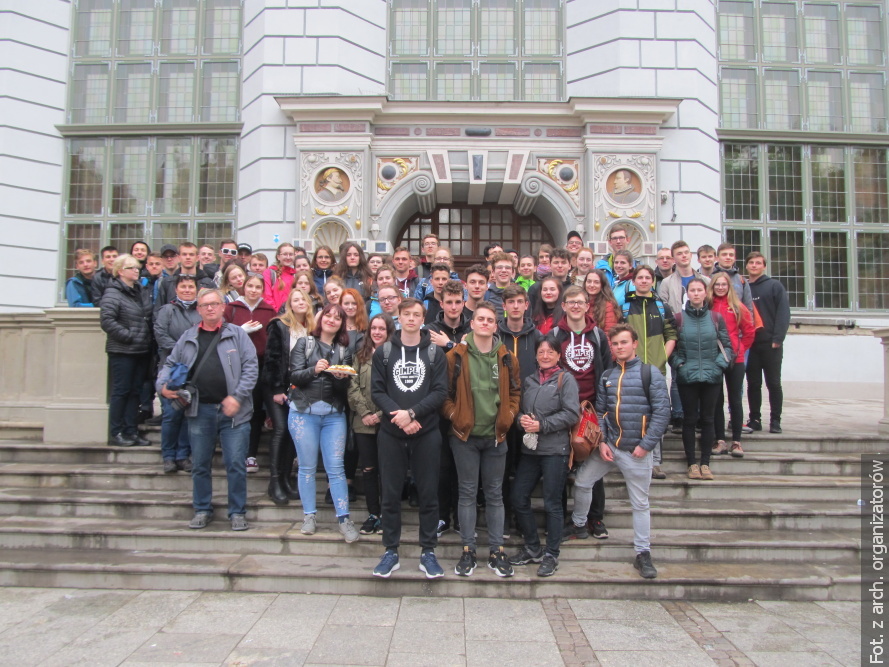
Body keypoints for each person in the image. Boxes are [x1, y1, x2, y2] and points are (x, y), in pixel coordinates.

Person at [568, 323, 670, 579]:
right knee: (582, 482)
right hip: (610, 446)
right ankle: (579, 524)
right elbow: (600, 411)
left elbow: (662, 413)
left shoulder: (650, 374)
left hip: (637, 451)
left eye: (624, 342)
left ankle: (643, 553)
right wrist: (601, 441)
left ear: (634, 344)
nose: (619, 347)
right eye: (615, 344)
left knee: (640, 503)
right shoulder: (607, 376)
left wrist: (646, 446)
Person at [157, 287, 258, 532]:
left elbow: (251, 368)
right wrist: (162, 385)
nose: (210, 308)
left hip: (234, 412)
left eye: (214, 304)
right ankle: (202, 509)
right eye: (205, 305)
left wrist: (237, 396)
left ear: (223, 307)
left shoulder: (237, 335)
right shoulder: (188, 337)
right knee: (201, 464)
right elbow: (170, 363)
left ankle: (237, 512)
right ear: (198, 310)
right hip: (199, 410)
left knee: (235, 464)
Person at [370, 298, 448, 579]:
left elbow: (440, 392)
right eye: (407, 314)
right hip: (391, 433)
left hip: (426, 432)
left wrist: (413, 414)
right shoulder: (385, 352)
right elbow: (377, 392)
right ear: (399, 317)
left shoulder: (434, 354)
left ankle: (428, 551)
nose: (412, 319)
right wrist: (399, 416)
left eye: (417, 314)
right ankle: (391, 550)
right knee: (390, 494)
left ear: (423, 318)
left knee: (428, 493)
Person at [443, 301, 521, 578]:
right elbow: (445, 394)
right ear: (472, 323)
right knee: (466, 494)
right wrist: (455, 415)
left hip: (496, 437)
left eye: (490, 320)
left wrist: (509, 415)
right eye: (481, 319)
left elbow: (515, 393)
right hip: (465, 436)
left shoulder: (507, 357)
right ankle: (468, 550)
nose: (485, 323)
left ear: (495, 325)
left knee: (495, 495)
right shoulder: (456, 356)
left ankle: (497, 551)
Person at [509, 337, 580, 577]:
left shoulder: (565, 379)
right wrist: (521, 421)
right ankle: (532, 547)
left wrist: (543, 424)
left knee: (552, 504)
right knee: (518, 497)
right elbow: (518, 410)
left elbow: (572, 413)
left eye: (550, 351)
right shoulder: (529, 380)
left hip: (555, 450)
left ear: (559, 355)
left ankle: (551, 554)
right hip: (530, 450)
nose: (545, 355)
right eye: (541, 351)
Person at [288, 303, 358, 542]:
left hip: (333, 415)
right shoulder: (304, 344)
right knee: (307, 467)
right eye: (328, 315)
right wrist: (313, 370)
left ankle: (344, 518)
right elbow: (294, 375)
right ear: (321, 319)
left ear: (342, 324)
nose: (332, 320)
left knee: (336, 468)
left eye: (337, 318)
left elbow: (343, 389)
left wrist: (340, 378)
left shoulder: (343, 350)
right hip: (302, 412)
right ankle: (309, 515)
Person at [551, 286, 613, 540]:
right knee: (563, 464)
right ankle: (568, 517)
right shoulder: (555, 335)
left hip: (592, 408)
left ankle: (595, 518)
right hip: (564, 409)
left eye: (580, 302)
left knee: (591, 464)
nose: (576, 306)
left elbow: (607, 371)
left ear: (587, 306)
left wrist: (603, 408)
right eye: (571, 302)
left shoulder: (598, 336)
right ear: (563, 306)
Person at [672, 278, 733, 481]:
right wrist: (680, 365)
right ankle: (691, 464)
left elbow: (727, 346)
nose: (696, 293)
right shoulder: (678, 318)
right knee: (689, 420)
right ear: (687, 293)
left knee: (708, 420)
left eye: (699, 290)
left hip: (711, 376)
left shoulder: (715, 318)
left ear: (705, 293)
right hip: (687, 377)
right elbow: (671, 347)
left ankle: (705, 463)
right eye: (692, 290)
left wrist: (718, 366)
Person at [620, 265, 677, 479]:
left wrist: (663, 356)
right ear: (633, 281)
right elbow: (618, 335)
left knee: (657, 414)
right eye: (640, 278)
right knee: (632, 413)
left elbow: (671, 333)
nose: (643, 281)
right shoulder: (625, 306)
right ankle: (630, 457)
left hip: (656, 368)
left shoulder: (662, 306)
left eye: (647, 278)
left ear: (653, 281)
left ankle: (655, 462)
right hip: (631, 368)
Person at [426, 280, 472, 537]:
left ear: (464, 302)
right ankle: (443, 516)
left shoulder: (472, 327)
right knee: (442, 467)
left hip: (468, 404)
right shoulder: (431, 329)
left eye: (458, 302)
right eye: (449, 302)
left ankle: (462, 518)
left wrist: (449, 346)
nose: (453, 307)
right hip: (438, 404)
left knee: (464, 468)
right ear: (440, 303)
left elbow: (476, 359)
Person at [262, 288, 315, 504]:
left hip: (298, 389)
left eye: (304, 299)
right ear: (289, 304)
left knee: (294, 433)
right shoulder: (279, 325)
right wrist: (276, 389)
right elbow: (272, 358)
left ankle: (285, 479)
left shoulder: (311, 328)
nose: (300, 302)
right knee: (281, 429)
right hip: (277, 387)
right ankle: (274, 482)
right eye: (296, 299)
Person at [348, 313, 395, 536]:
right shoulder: (360, 355)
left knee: (387, 469)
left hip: (387, 422)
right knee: (368, 469)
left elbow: (395, 390)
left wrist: (379, 414)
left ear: (389, 332)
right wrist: (365, 413)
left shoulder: (396, 355)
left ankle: (386, 514)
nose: (377, 332)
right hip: (363, 422)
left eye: (382, 329)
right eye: (373, 328)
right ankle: (373, 513)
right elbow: (352, 385)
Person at [224, 274, 276, 473]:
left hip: (264, 364)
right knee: (249, 410)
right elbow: (222, 332)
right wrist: (239, 330)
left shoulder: (269, 310)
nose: (253, 290)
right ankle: (248, 454)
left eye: (257, 287)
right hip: (240, 366)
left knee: (265, 411)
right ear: (243, 287)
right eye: (250, 286)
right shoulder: (233, 308)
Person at [657, 240, 711, 433]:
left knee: (699, 375)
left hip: (700, 334)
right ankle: (678, 415)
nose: (684, 256)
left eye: (686, 252)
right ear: (674, 258)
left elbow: (710, 307)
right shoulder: (667, 282)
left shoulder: (705, 281)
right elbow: (663, 307)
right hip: (677, 332)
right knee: (678, 374)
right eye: (679, 253)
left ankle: (697, 415)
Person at [100, 254, 153, 447]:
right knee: (121, 391)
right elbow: (107, 321)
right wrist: (128, 336)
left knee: (135, 392)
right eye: (131, 267)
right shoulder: (113, 293)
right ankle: (117, 432)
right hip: (122, 350)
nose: (136, 270)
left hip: (140, 350)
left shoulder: (140, 291)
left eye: (137, 267)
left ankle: (131, 430)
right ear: (120, 271)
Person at [153, 275, 201, 472]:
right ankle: (168, 456)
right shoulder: (167, 310)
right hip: (171, 368)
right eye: (184, 287)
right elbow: (160, 334)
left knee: (187, 414)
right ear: (176, 289)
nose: (188, 290)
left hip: (194, 370)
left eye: (191, 286)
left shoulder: (200, 312)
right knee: (171, 414)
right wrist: (181, 350)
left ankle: (183, 455)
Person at [709, 272, 755, 458]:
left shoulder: (738, 307)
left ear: (729, 287)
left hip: (736, 359)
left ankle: (736, 441)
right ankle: (720, 440)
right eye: (717, 284)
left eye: (724, 284)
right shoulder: (708, 306)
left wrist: (740, 348)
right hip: (714, 358)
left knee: (735, 400)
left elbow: (749, 331)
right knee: (716, 400)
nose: (720, 287)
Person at [745, 251, 790, 434]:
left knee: (773, 383)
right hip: (751, 345)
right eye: (751, 263)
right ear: (747, 266)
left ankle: (775, 420)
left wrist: (778, 338)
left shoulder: (774, 286)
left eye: (758, 263)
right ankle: (755, 418)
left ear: (764, 266)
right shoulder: (744, 287)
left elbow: (783, 313)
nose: (754, 265)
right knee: (753, 384)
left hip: (771, 344)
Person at [155, 242, 215, 311]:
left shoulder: (208, 283)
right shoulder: (167, 282)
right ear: (179, 257)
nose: (188, 257)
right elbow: (158, 310)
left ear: (197, 258)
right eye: (184, 254)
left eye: (191, 254)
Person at [712, 243, 753, 312]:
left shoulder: (742, 281)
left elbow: (748, 308)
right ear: (717, 258)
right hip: (714, 321)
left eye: (731, 255)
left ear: (734, 258)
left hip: (736, 320)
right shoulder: (710, 279)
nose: (728, 257)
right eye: (724, 254)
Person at [584, 269, 621, 337]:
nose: (592, 285)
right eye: (589, 281)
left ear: (602, 285)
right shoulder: (581, 303)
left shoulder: (608, 305)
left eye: (596, 282)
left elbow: (609, 333)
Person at [262, 243, 298, 313]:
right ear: (278, 257)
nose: (288, 257)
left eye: (291, 254)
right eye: (285, 254)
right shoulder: (270, 273)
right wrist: (278, 314)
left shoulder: (295, 275)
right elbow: (267, 297)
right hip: (275, 315)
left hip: (293, 316)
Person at [484, 252, 515, 320]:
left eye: (507, 268)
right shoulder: (485, 296)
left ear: (512, 272)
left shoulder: (520, 295)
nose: (503, 270)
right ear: (493, 272)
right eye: (499, 267)